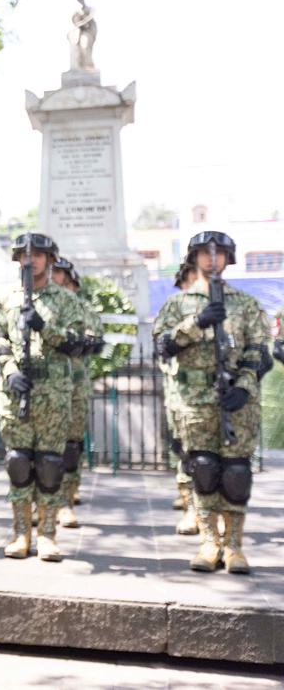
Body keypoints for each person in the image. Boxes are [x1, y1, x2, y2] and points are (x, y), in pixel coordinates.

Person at [153, 231, 271, 573]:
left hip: (236, 401)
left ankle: (234, 546)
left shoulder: (246, 305)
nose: (212, 258)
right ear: (194, 258)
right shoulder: (177, 304)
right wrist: (197, 323)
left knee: (235, 473)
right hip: (194, 401)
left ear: (228, 259)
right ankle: (209, 542)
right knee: (203, 470)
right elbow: (163, 345)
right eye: (204, 252)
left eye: (218, 253)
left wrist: (245, 386)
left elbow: (260, 352)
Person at [0, 233, 84, 562]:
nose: (32, 260)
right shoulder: (4, 299)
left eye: (39, 254)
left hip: (54, 395)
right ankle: (19, 533)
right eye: (26, 255)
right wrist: (10, 369)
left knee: (49, 466)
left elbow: (77, 342)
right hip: (16, 393)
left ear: (50, 259)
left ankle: (47, 534)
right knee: (18, 464)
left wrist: (45, 327)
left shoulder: (66, 301)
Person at [50, 257, 103, 527]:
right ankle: (44, 503)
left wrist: (72, 341)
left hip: (74, 383)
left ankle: (66, 500)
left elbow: (94, 339)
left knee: (70, 445)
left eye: (59, 273)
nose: (54, 276)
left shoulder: (81, 308)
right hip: (44, 384)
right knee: (41, 449)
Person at [163, 262, 200, 534]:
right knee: (185, 450)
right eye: (189, 279)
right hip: (182, 392)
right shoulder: (175, 308)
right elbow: (164, 346)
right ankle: (190, 506)